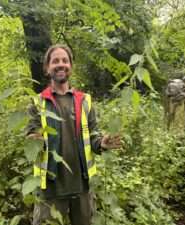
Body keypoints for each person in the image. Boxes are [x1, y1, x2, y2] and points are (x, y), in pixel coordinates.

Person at [26, 44, 121, 225]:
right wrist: (35, 139)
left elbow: (93, 136)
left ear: (71, 66)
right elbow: (32, 139)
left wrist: (102, 143)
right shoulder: (37, 103)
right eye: (55, 61)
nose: (61, 64)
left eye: (65, 60)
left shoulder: (84, 101)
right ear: (47, 68)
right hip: (51, 188)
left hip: (82, 186)